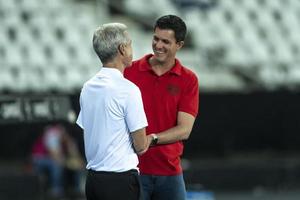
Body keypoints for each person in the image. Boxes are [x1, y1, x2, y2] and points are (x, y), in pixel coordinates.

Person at [124, 15, 199, 200]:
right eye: (156, 38)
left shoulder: (188, 79)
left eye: (166, 41)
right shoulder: (128, 71)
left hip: (170, 173)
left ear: (179, 45)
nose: (158, 45)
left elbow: (185, 130)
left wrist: (152, 139)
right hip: (132, 170)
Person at [76, 23, 149, 200]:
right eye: (130, 43)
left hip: (93, 181)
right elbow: (141, 146)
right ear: (122, 49)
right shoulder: (128, 89)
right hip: (120, 182)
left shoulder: (87, 87)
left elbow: (90, 130)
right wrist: (154, 139)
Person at [31, 123, 85, 199]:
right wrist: (68, 162)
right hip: (39, 158)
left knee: (78, 164)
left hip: (55, 158)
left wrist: (75, 160)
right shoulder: (52, 135)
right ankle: (56, 190)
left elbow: (75, 155)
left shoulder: (68, 139)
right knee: (56, 164)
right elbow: (55, 155)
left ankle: (77, 189)